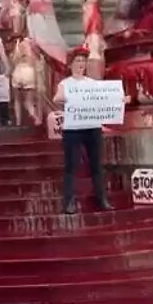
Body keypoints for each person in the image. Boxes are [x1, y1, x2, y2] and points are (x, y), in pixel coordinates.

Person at [52, 47, 116, 215]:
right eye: (78, 61)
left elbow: (103, 101)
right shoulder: (65, 83)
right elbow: (56, 98)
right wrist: (70, 97)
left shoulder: (92, 83)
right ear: (71, 64)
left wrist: (120, 99)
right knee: (71, 165)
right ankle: (69, 202)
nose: (81, 64)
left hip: (92, 127)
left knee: (96, 164)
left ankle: (101, 198)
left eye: (83, 61)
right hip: (73, 128)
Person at [10, 37, 42, 127]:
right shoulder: (32, 45)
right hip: (29, 72)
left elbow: (13, 61)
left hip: (18, 71)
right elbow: (36, 60)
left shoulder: (18, 46)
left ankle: (18, 121)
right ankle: (35, 116)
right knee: (28, 101)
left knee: (17, 100)